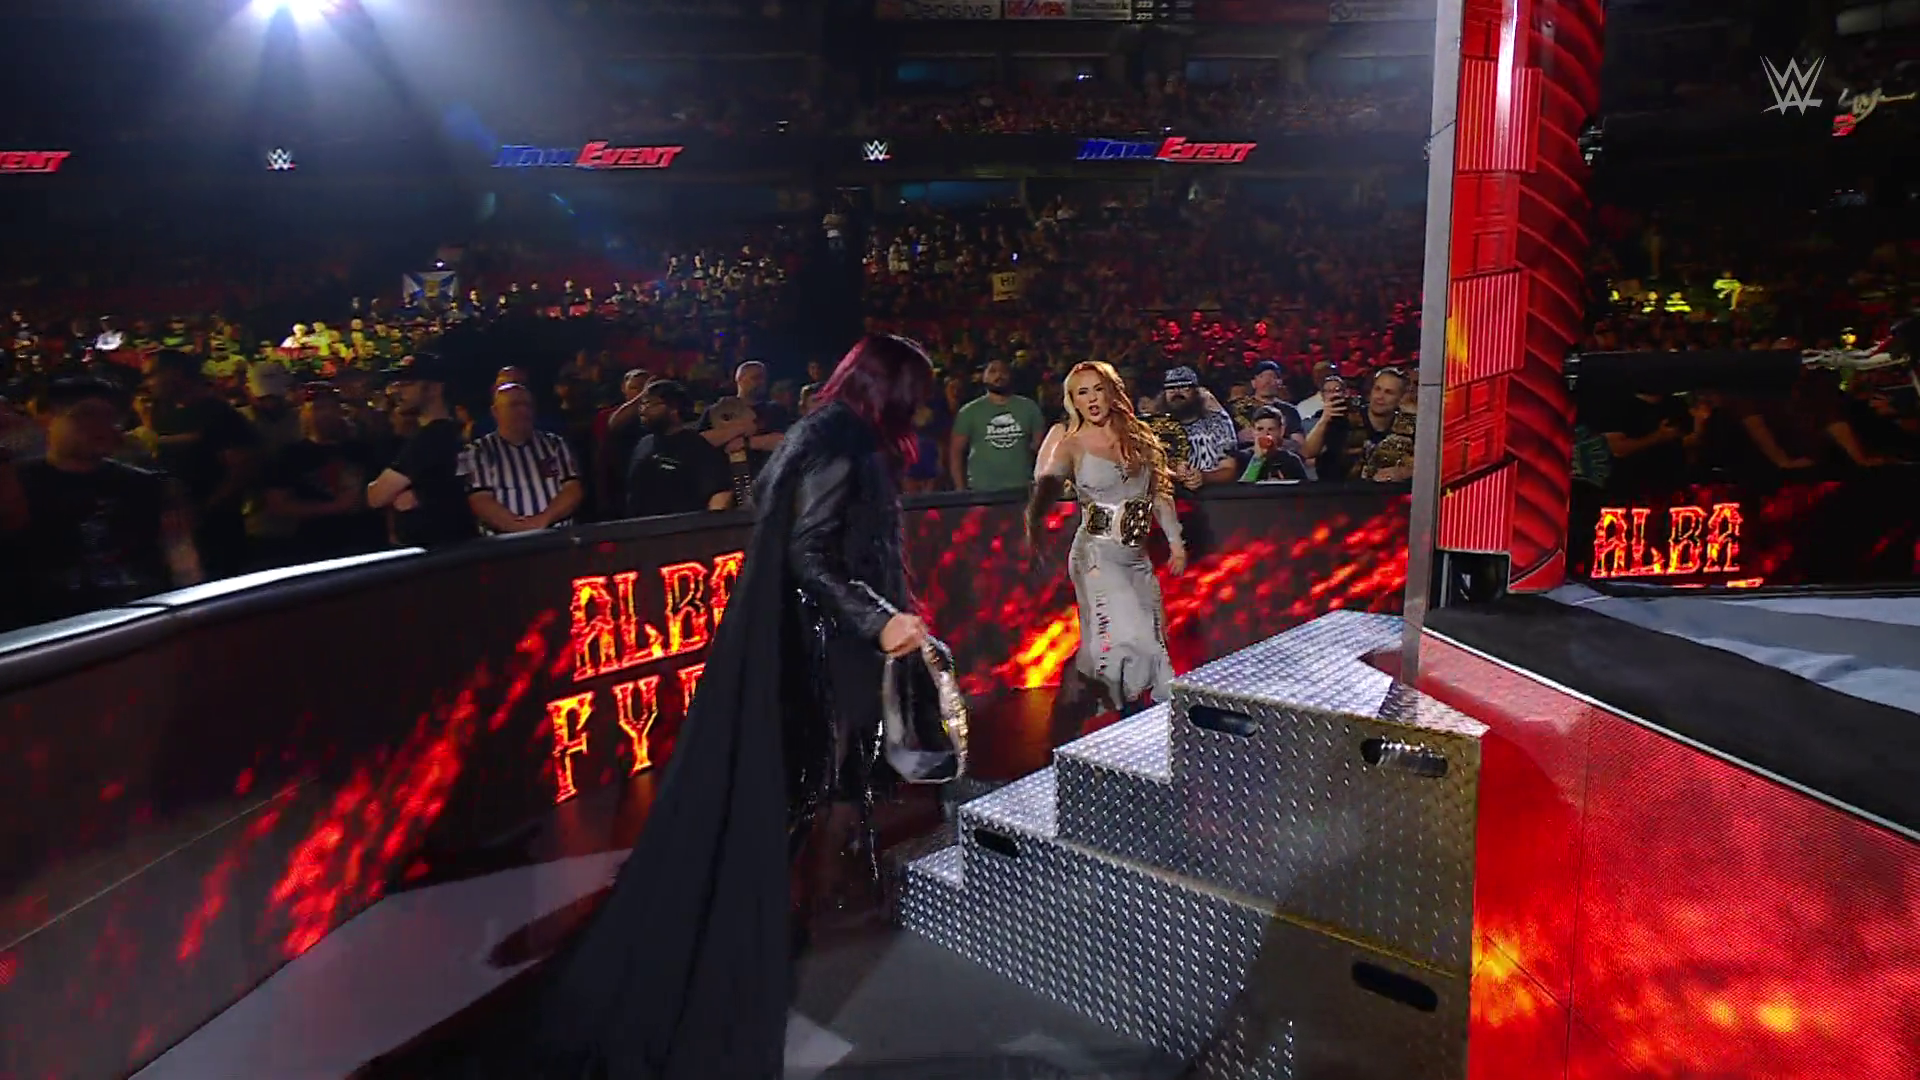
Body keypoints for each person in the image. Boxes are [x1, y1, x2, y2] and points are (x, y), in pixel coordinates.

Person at [525, 335, 936, 1079]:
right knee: (818, 799)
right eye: (916, 391)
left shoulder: (819, 435)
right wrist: (880, 620)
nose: (922, 406)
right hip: (822, 654)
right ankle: (781, 962)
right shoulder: (839, 443)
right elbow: (812, 555)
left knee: (813, 800)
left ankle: (784, 952)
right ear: (891, 390)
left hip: (809, 648)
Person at [1027, 361, 1186, 744]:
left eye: (1098, 389)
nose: (1092, 399)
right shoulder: (1071, 443)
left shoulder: (1139, 435)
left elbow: (1159, 494)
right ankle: (1112, 724)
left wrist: (1176, 541)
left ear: (1112, 391)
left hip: (1136, 557)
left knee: (1150, 639)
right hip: (1096, 556)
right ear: (1073, 401)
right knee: (1124, 642)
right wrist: (1034, 523)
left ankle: (1106, 721)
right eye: (1082, 392)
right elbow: (1046, 487)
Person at [5, 378, 201, 627]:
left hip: (141, 622)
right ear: (47, 419)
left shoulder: (149, 486)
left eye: (111, 417)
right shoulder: (14, 486)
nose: (102, 426)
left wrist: (190, 615)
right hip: (46, 631)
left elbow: (182, 561)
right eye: (85, 414)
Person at [366, 353, 477, 547]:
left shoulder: (431, 438)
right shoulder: (452, 432)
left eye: (407, 383)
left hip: (440, 552)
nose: (397, 391)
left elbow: (376, 496)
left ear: (435, 388)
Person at [465, 383, 584, 534]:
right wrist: (519, 528)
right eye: (514, 405)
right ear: (495, 411)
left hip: (555, 537)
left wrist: (542, 520)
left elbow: (572, 489)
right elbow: (480, 500)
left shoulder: (555, 444)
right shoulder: (476, 451)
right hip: (504, 542)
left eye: (527, 405)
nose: (523, 410)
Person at [623, 380, 735, 517]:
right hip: (641, 527)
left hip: (681, 527)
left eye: (649, 403)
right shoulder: (643, 444)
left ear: (673, 408)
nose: (643, 409)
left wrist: (710, 525)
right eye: (642, 404)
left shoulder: (696, 447)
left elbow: (719, 495)